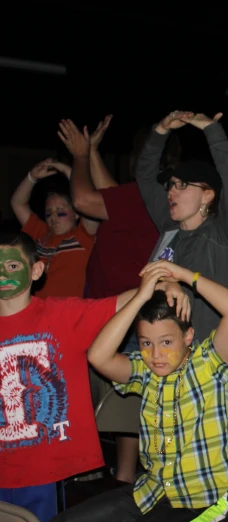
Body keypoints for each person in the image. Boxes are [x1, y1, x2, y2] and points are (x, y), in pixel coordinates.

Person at [0, 231, 188, 521]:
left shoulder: (62, 315)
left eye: (12, 265)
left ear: (36, 270)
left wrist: (164, 283)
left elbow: (120, 302)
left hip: (43, 467)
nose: (3, 273)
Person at [51, 259, 228, 521]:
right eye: (146, 343)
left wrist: (183, 275)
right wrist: (142, 296)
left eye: (166, 342)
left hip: (203, 501)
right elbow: (98, 356)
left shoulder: (209, 365)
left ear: (188, 337)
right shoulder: (146, 371)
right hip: (153, 492)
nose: (156, 354)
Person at [64, 115, 166, 483]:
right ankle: (123, 475)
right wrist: (92, 151)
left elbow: (84, 199)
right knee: (125, 398)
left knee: (120, 399)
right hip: (120, 308)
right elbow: (109, 194)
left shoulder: (149, 195)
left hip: (123, 311)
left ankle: (114, 474)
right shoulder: (146, 197)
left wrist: (78, 156)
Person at [135, 110, 228, 371]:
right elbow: (144, 176)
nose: (172, 191)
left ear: (207, 195)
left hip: (206, 355)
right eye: (171, 185)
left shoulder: (222, 234)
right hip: (160, 351)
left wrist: (212, 131)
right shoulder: (170, 227)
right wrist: (161, 130)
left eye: (183, 185)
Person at [10, 146, 99, 297]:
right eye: (48, 213)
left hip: (69, 315)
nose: (53, 218)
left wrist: (67, 171)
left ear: (76, 213)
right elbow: (17, 203)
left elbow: (87, 199)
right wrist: (32, 177)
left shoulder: (84, 236)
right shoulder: (40, 232)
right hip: (37, 312)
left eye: (60, 212)